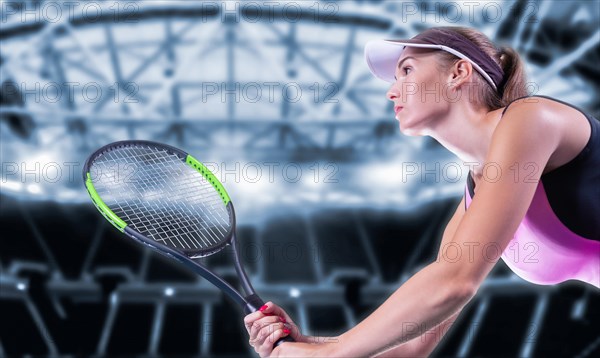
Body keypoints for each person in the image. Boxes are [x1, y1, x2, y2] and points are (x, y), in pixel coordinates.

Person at [243, 26, 600, 357]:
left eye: (407, 71)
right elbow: (412, 348)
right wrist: (311, 345)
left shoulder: (531, 117)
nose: (391, 90)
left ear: (459, 72)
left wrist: (331, 355)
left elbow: (455, 281)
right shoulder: (476, 198)